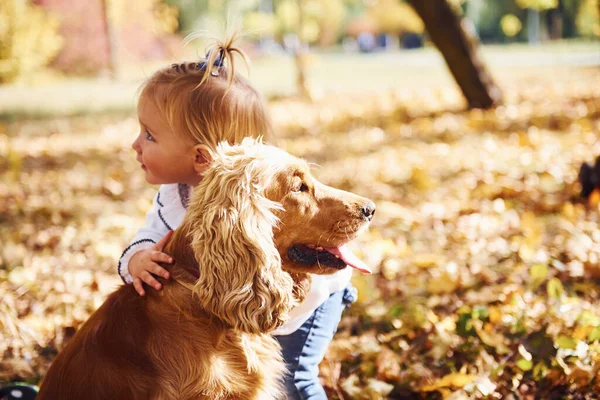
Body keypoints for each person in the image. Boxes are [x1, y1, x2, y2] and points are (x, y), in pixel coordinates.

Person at [117, 33, 358, 399]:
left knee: (295, 380)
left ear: (200, 157)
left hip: (306, 303)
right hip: (245, 306)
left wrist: (260, 319)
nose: (135, 144)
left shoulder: (264, 196)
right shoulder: (175, 195)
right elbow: (148, 236)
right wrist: (137, 260)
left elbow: (299, 284)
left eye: (149, 135)